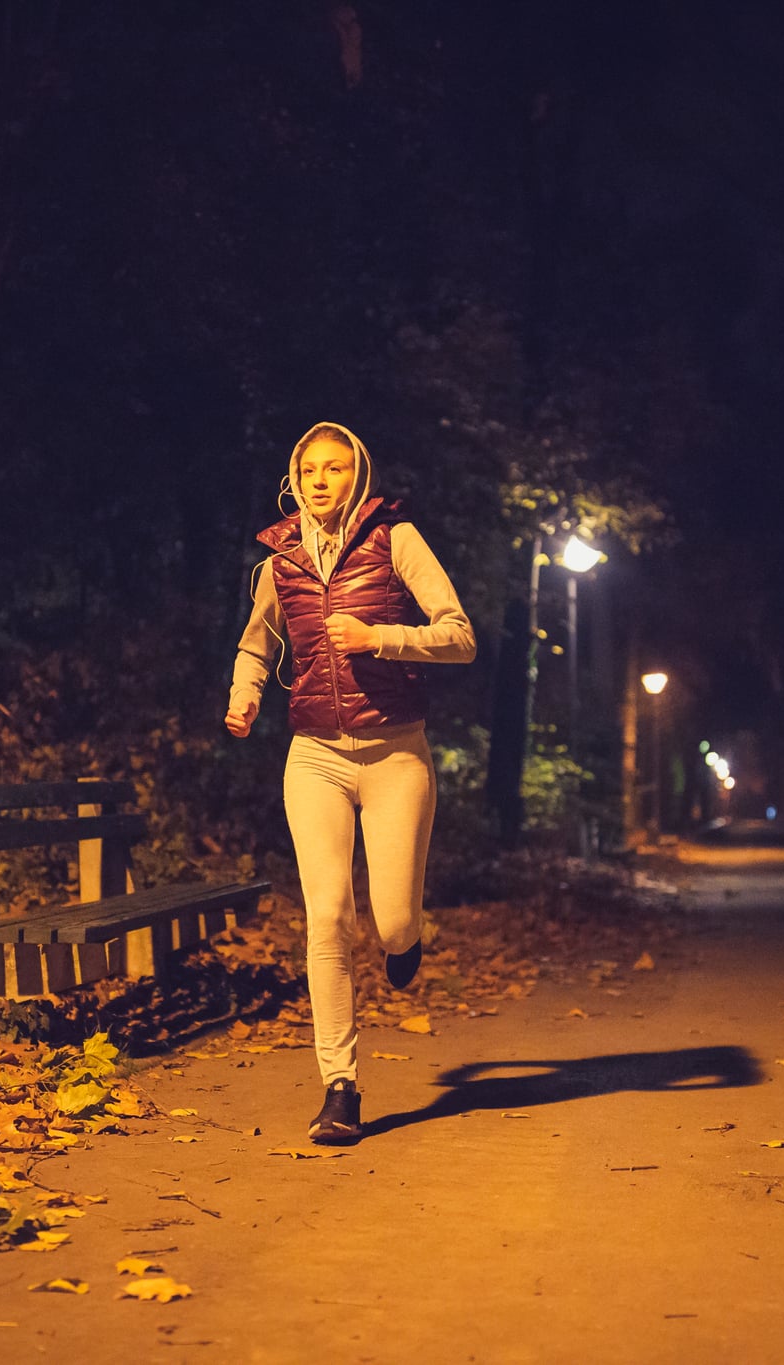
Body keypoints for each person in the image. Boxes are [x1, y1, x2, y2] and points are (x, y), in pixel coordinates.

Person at [224, 420, 475, 1144]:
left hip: (396, 755)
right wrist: (245, 693)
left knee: (390, 921)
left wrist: (380, 638)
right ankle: (340, 1086)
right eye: (309, 470)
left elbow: (459, 635)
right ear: (294, 478)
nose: (320, 480)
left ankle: (405, 940)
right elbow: (257, 640)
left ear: (356, 473)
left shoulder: (396, 538)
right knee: (327, 912)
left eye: (334, 468)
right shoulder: (281, 560)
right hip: (315, 759)